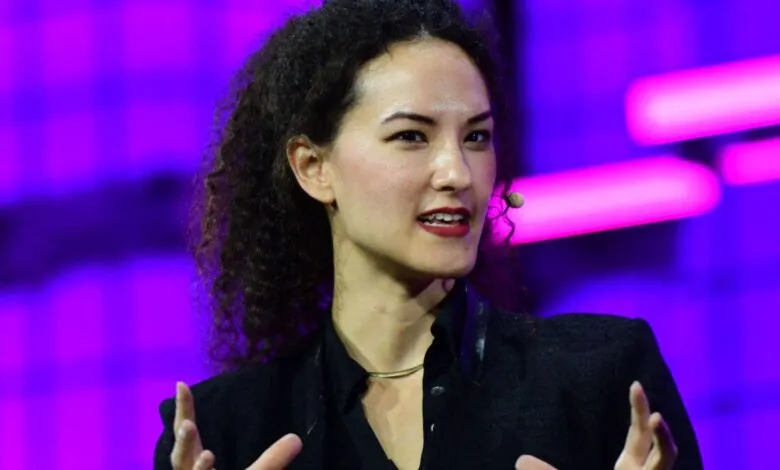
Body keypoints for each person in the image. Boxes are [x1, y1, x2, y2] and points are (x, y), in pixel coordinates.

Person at [153, 0, 703, 469]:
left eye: (477, 137)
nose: (458, 173)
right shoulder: (227, 431)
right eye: (412, 136)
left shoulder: (601, 379)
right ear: (313, 167)